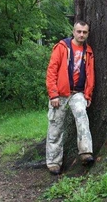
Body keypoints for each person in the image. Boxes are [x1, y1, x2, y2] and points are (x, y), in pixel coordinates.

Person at [45, 20, 95, 175]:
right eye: (78, 31)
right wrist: (53, 94)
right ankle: (53, 162)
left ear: (87, 34)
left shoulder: (88, 51)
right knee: (55, 126)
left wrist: (88, 94)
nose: (81, 35)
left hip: (77, 93)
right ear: (73, 31)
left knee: (82, 116)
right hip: (59, 93)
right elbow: (52, 71)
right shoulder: (62, 47)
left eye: (84, 32)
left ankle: (85, 152)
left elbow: (90, 75)